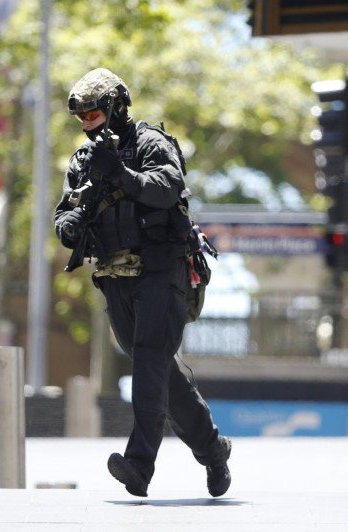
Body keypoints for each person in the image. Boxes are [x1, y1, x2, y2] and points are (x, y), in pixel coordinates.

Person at [54, 68, 231, 498]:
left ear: (114, 106)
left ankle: (138, 467)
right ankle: (213, 449)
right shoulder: (82, 159)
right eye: (81, 116)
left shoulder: (151, 143)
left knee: (150, 359)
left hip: (160, 270)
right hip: (115, 278)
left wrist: (121, 175)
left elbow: (168, 188)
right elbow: (62, 216)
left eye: (93, 111)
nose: (87, 121)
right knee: (158, 371)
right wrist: (70, 225)